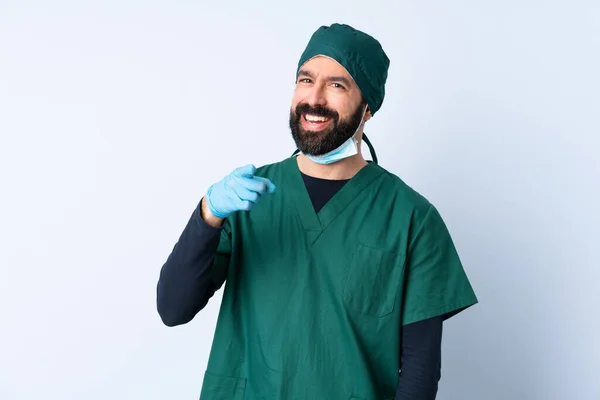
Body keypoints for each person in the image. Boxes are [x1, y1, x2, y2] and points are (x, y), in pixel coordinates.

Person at [156, 23, 478, 400]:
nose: (315, 98)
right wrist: (208, 214)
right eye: (306, 80)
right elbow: (173, 309)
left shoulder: (411, 218)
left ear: (368, 107)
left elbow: (420, 372)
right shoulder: (245, 199)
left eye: (337, 85)